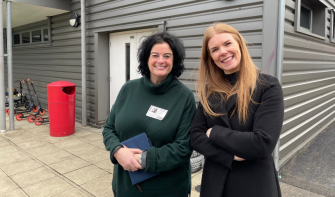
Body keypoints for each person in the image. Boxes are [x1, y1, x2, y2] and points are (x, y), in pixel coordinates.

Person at [189, 23, 284, 197]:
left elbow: (262, 143)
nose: (223, 52)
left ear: (239, 44)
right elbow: (195, 136)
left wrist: (215, 132)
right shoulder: (211, 91)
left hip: (254, 185)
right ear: (210, 57)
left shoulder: (267, 86)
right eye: (214, 49)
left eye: (227, 44)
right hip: (214, 184)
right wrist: (230, 156)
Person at [103, 32, 196, 197]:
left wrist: (142, 160)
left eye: (167, 56)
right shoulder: (128, 89)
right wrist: (117, 150)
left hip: (167, 189)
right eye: (155, 55)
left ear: (174, 61)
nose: (161, 60)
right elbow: (109, 128)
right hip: (125, 186)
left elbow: (184, 147)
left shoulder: (183, 97)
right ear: (146, 58)